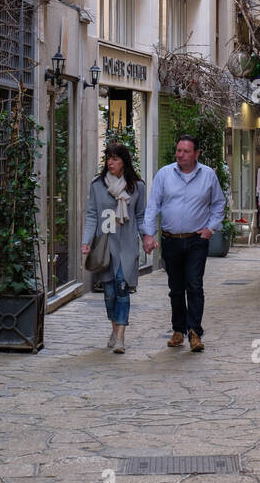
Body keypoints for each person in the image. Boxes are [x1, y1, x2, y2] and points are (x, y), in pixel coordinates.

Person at [142, 135, 225, 352]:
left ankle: (195, 331)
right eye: (178, 150)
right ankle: (178, 329)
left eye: (186, 151)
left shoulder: (208, 175)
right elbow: (153, 206)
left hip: (196, 240)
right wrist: (148, 234)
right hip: (171, 240)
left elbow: (218, 204)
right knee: (176, 288)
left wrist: (210, 228)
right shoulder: (164, 174)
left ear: (196, 154)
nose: (180, 155)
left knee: (194, 285)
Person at [81, 144, 146, 354]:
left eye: (115, 159)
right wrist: (86, 241)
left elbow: (140, 216)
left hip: (126, 246)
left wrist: (147, 238)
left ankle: (120, 337)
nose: (110, 162)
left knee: (122, 287)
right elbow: (91, 215)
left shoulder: (137, 187)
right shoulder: (97, 185)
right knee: (109, 292)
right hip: (104, 246)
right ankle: (114, 328)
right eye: (108, 158)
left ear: (124, 162)